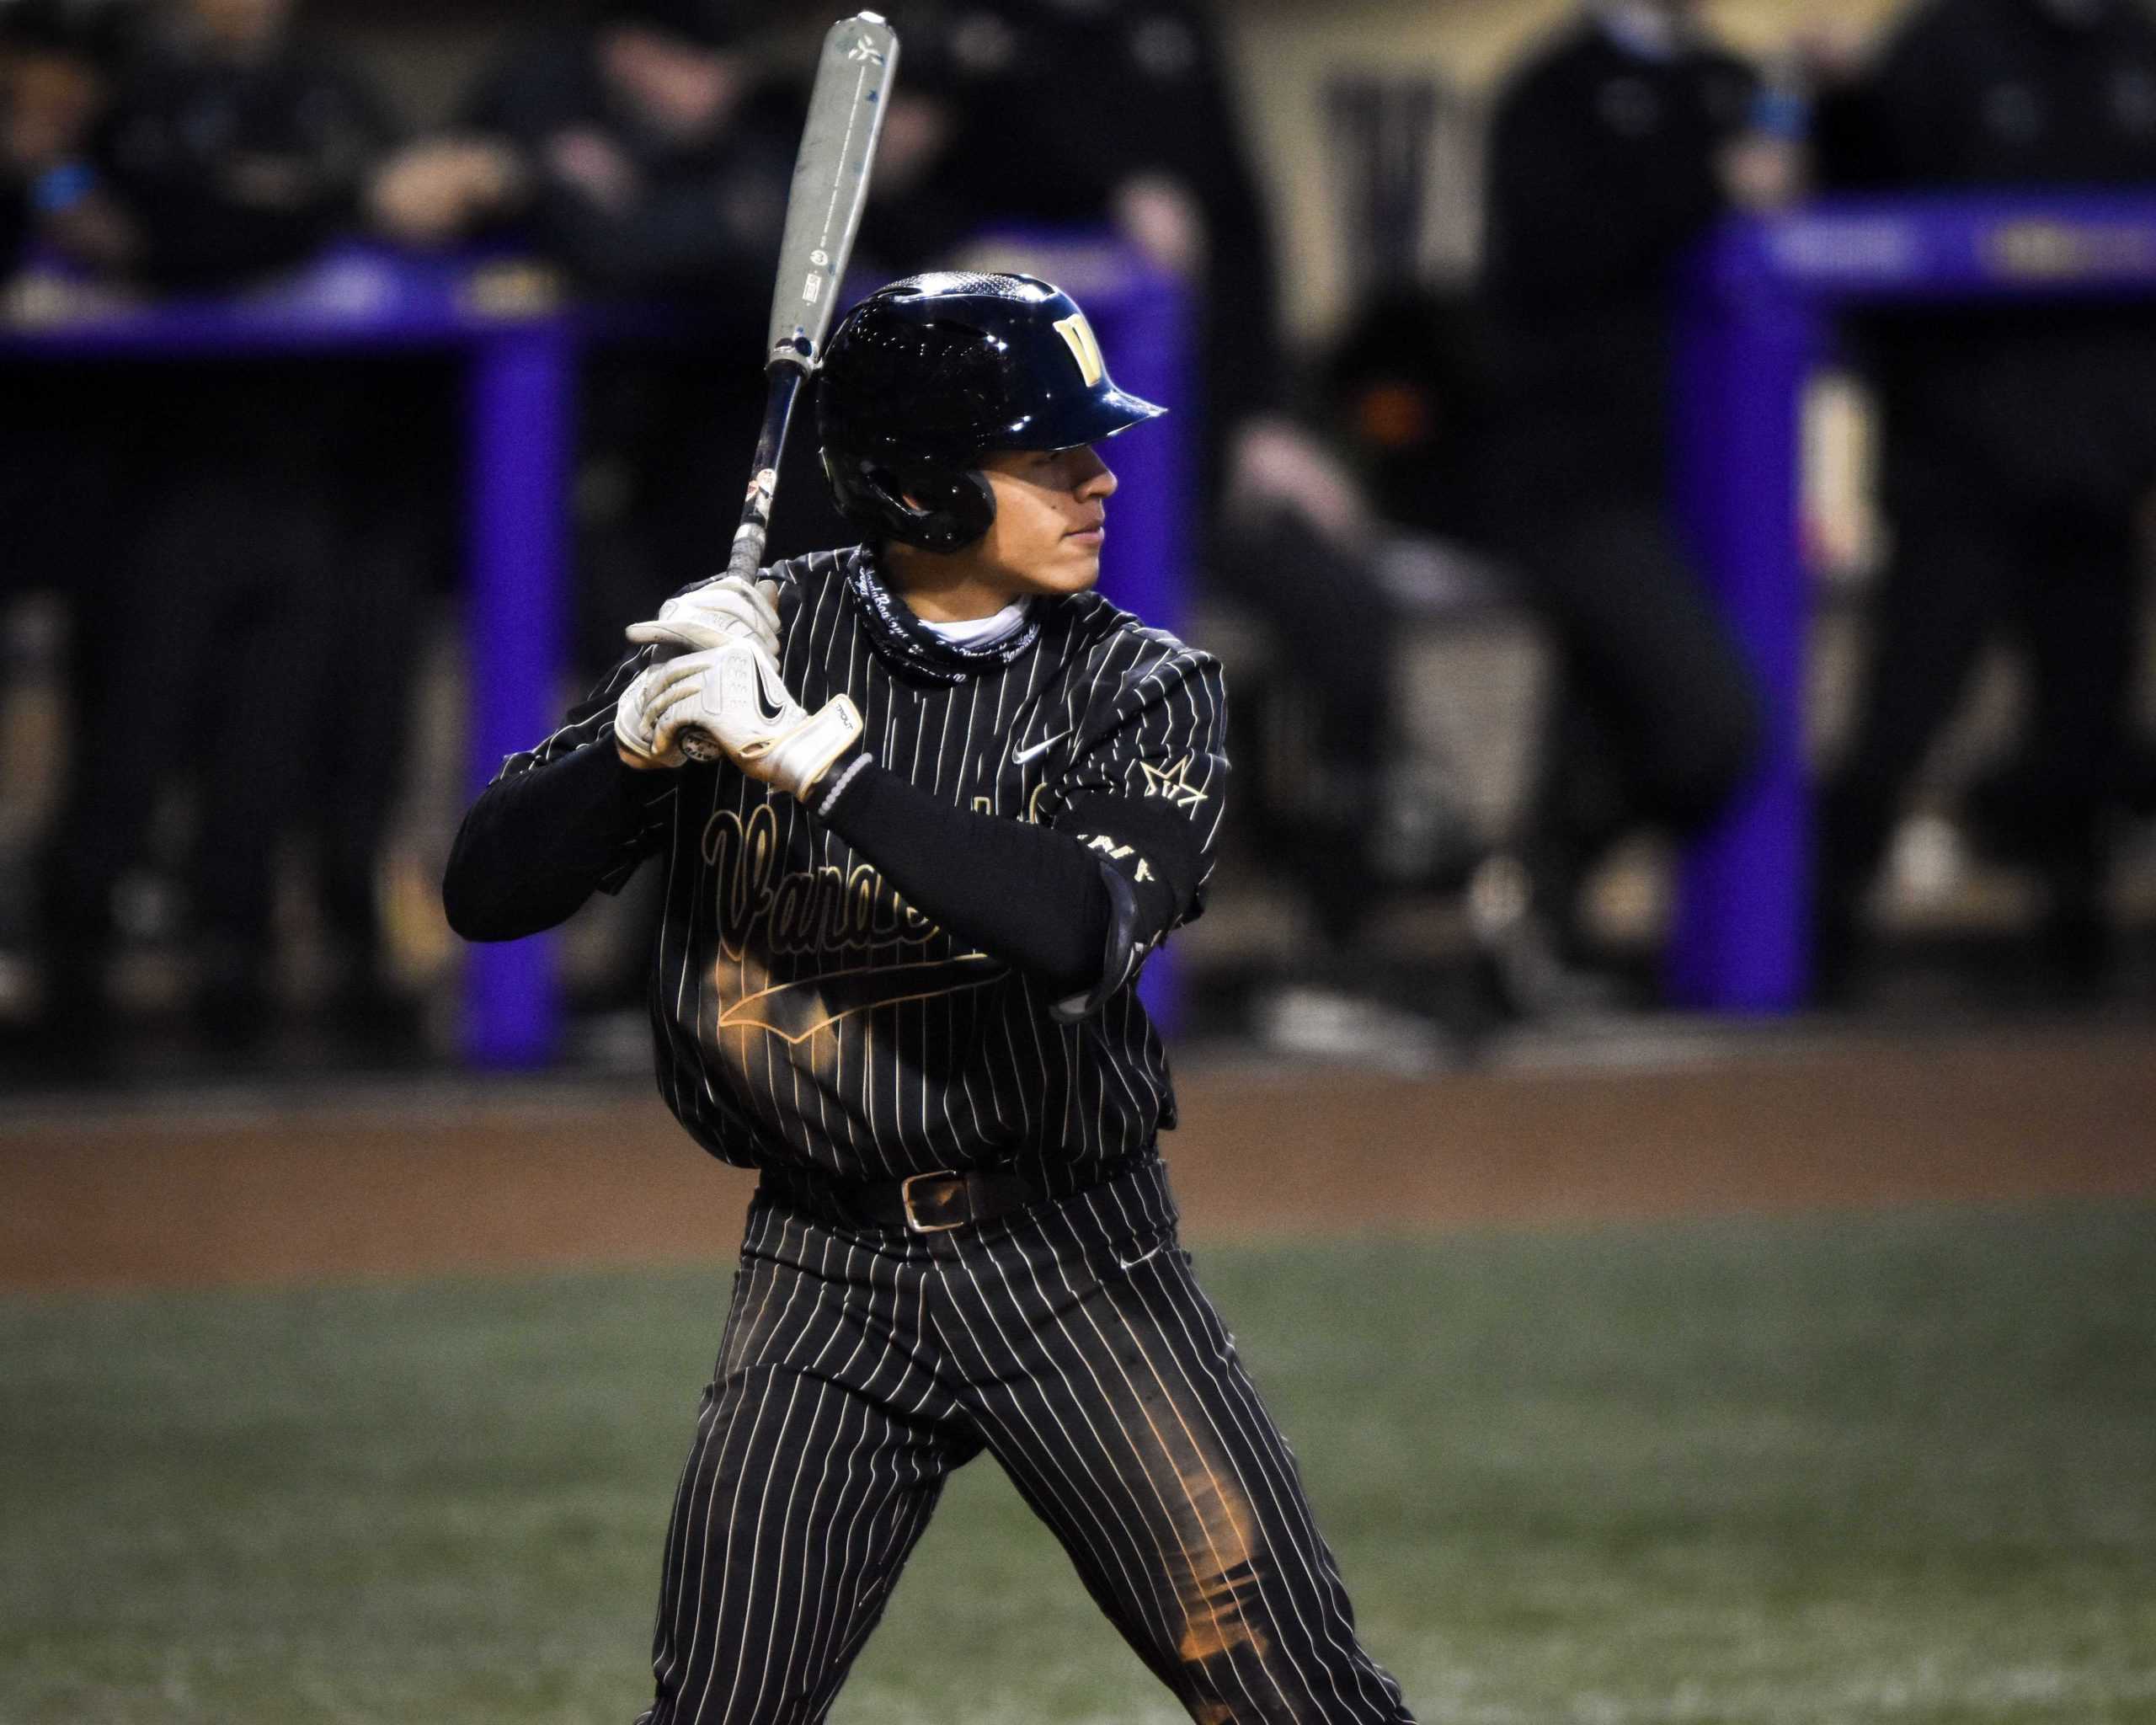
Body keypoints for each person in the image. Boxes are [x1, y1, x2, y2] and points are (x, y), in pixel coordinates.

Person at [442, 273, 1417, 1725]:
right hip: (818, 1275)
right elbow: (487, 894)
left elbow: (1076, 924)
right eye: (1049, 454)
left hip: (1073, 1264)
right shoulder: (762, 635)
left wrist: (822, 768)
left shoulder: (1150, 691)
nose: (1101, 476)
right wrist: (632, 745)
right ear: (923, 483)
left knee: (1297, 1701)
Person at [1809, 0, 2156, 996]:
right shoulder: (1940, 50)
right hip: (1959, 469)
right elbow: (1852, 222)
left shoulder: (2136, 52)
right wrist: (1834, 107)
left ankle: (2075, 957)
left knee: (2086, 719)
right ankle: (1817, 932)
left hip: (2100, 473)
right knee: (1904, 711)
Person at [1479, 0, 1784, 1000]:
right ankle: (1532, 883)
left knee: (1609, 719)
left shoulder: (1730, 81)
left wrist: (1830, 108)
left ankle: (1538, 929)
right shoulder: (1550, 92)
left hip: (1721, 484)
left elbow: (1804, 182)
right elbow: (1553, 252)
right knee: (1710, 725)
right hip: (1575, 479)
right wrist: (1708, 187)